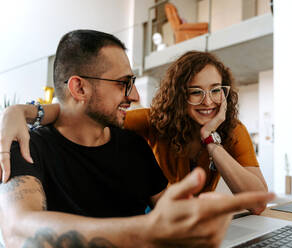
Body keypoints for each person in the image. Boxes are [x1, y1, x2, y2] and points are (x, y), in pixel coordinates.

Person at [0, 29, 274, 248]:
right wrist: (19, 112)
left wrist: (195, 218)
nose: (134, 96)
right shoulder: (24, 145)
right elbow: (17, 231)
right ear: (79, 86)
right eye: (124, 83)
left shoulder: (132, 146)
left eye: (216, 91)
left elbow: (172, 212)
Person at [1, 53, 267, 209]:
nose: (208, 101)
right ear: (177, 96)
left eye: (216, 90)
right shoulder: (154, 121)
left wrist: (211, 140)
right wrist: (22, 112)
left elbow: (257, 204)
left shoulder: (230, 130)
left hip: (194, 221)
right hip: (156, 216)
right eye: (195, 92)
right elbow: (84, 114)